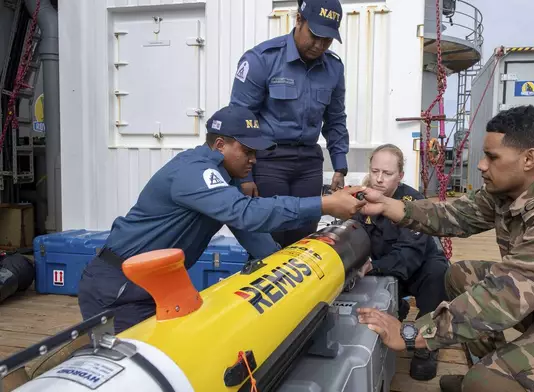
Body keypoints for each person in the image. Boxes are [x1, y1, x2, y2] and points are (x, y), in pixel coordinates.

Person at [355, 105, 534, 392]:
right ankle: (490, 367)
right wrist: (388, 205)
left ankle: (498, 379)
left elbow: (503, 298)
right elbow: (453, 215)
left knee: (486, 383)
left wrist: (410, 333)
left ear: (529, 159)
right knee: (459, 276)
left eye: (491, 157)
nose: (481, 165)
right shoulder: (512, 191)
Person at [77, 105, 366, 334]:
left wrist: (295, 268)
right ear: (219, 145)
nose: (254, 160)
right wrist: (324, 204)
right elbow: (247, 213)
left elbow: (255, 235)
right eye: (247, 151)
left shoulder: (224, 183)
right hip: (119, 286)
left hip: (157, 286)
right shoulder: (196, 172)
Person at [229, 0, 349, 249]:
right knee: (268, 243)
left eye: (327, 40)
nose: (319, 45)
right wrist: (245, 176)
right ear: (298, 21)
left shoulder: (333, 68)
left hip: (308, 165)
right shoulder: (262, 60)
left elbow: (335, 119)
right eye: (315, 36)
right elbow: (240, 121)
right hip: (268, 161)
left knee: (304, 242)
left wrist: (340, 166)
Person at [352, 144, 450, 381]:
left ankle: (427, 343)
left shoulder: (414, 203)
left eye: (387, 174)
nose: (378, 179)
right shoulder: (360, 200)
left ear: (401, 176)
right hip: (383, 271)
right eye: (375, 171)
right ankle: (395, 307)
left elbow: (409, 256)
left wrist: (373, 266)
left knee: (438, 272)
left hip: (417, 270)